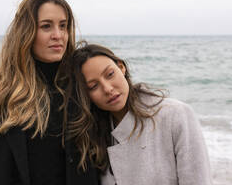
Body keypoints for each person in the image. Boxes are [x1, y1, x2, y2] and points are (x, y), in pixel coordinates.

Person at [0, 0, 98, 185]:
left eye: (63, 26)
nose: (58, 35)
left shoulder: (82, 84)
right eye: (46, 26)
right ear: (26, 31)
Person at [70, 42, 212, 185]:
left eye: (110, 74)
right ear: (86, 96)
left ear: (121, 67)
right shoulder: (94, 137)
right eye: (93, 86)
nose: (107, 89)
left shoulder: (175, 115)